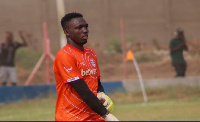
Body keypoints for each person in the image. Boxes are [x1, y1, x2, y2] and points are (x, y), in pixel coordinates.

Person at [53, 12, 119, 121]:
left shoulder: (91, 53)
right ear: (67, 32)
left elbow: (96, 82)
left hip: (94, 116)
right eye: (79, 28)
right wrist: (107, 115)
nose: (85, 30)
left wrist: (101, 94)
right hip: (71, 117)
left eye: (86, 27)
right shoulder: (65, 55)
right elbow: (83, 91)